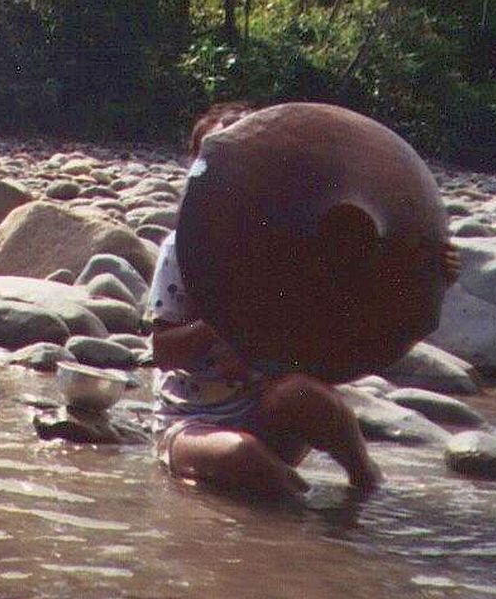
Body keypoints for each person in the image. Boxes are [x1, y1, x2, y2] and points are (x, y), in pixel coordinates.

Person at [148, 102, 385, 500]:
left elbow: (362, 295)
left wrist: (433, 264)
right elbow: (163, 351)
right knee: (242, 456)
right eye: (214, 158)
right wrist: (223, 320)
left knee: (308, 396)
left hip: (262, 407)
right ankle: (302, 517)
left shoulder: (290, 242)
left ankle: (367, 481)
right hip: (191, 423)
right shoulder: (183, 248)